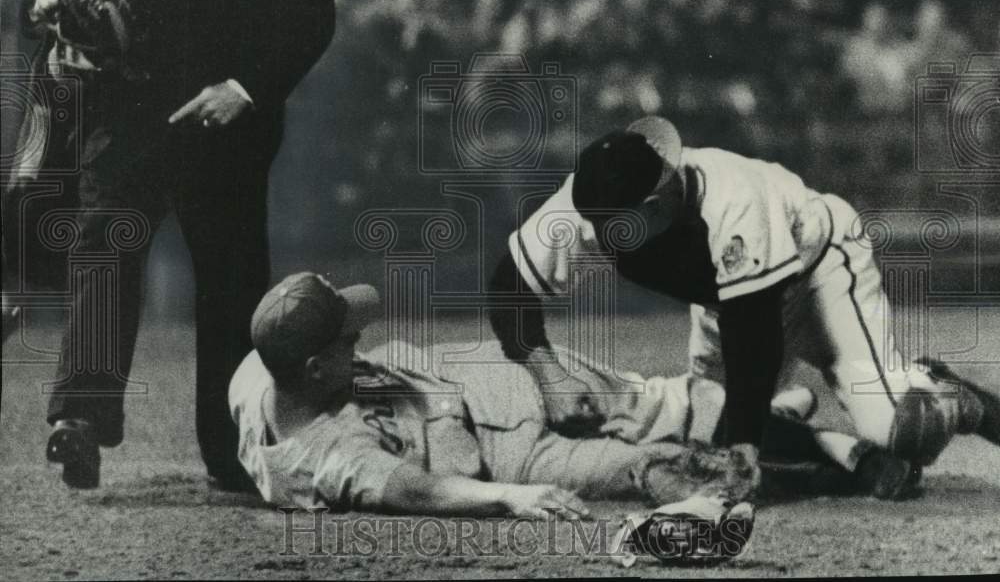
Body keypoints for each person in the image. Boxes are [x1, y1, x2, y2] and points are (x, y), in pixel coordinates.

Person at [7, 0, 335, 491]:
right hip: (124, 113)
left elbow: (313, 19)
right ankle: (80, 420)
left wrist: (246, 87)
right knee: (103, 244)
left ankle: (233, 454)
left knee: (229, 286)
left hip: (227, 128)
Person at [487, 116, 1000, 497]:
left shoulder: (732, 199)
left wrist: (748, 444)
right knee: (703, 430)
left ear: (658, 202)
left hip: (820, 272)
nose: (599, 236)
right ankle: (796, 417)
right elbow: (507, 282)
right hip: (727, 303)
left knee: (900, 427)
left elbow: (754, 332)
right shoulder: (593, 200)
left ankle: (942, 387)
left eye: (615, 226)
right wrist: (546, 369)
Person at [229, 272, 917, 513]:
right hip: (507, 461)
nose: (357, 338)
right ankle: (839, 462)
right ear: (316, 368)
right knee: (661, 469)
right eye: (344, 340)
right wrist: (508, 495)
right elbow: (412, 487)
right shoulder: (321, 455)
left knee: (659, 402)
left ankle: (795, 423)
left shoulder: (260, 369)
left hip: (472, 376)